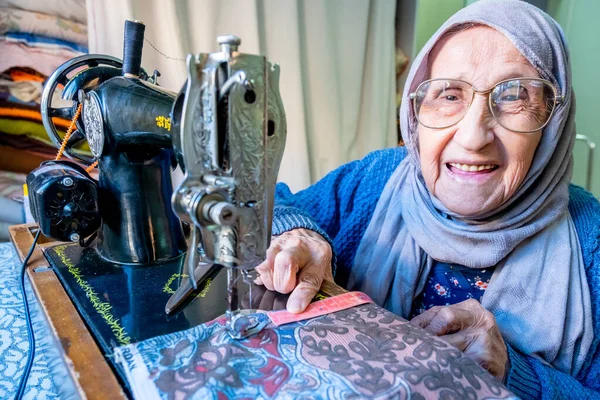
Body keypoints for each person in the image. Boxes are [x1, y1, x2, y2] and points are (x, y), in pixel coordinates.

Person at [254, 0, 600, 398]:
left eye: (514, 95)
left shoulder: (591, 243)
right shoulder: (377, 177)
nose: (472, 137)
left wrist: (517, 373)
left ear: (553, 121)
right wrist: (297, 233)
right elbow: (272, 205)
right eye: (449, 94)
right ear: (415, 114)